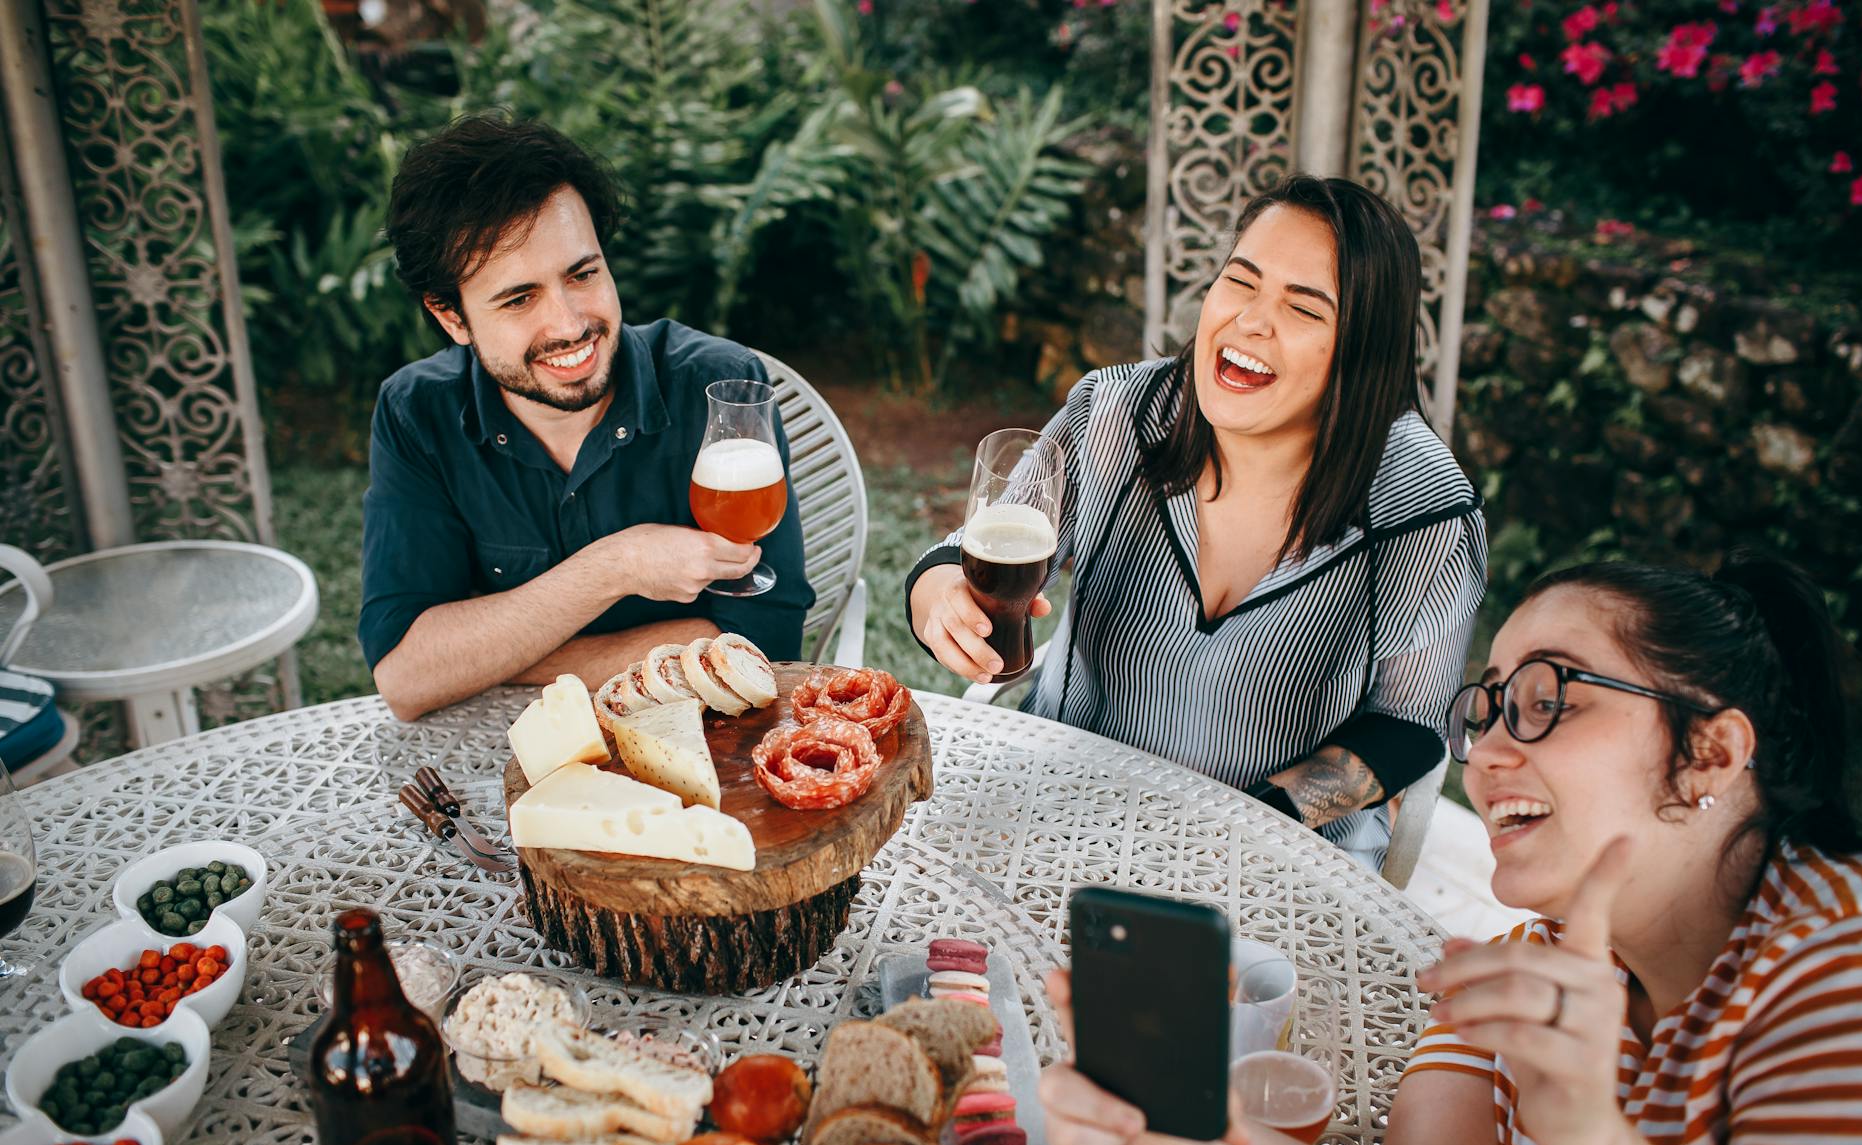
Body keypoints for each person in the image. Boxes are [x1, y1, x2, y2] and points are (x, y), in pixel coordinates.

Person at [1038, 554, 1862, 1145]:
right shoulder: (1530, 967)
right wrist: (1175, 1133)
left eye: (1547, 701)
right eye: (1485, 713)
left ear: (1710, 752)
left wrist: (1587, 1137)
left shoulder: (1842, 971)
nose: (1484, 757)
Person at [906, 174, 1485, 869]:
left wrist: (1251, 819)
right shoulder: (1115, 413)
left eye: (1303, 309)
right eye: (1241, 281)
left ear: (1362, 351)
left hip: (1277, 853)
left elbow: (1407, 726)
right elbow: (961, 556)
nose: (1250, 320)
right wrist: (940, 598)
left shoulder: (1425, 512)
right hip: (1060, 805)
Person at [360, 114, 812, 720]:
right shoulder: (416, 413)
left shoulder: (713, 384)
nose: (571, 325)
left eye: (583, 274)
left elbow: (766, 644)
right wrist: (618, 565)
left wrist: (496, 653)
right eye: (520, 299)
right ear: (451, 317)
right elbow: (407, 675)